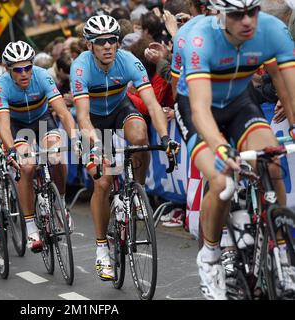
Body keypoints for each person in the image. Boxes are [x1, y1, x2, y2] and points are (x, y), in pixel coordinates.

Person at [175, 0, 295, 299]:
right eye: (237, 14)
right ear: (219, 14)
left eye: (252, 12)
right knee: (222, 181)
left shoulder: (272, 30)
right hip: (198, 109)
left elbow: (285, 81)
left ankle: (280, 249)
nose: (247, 21)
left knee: (272, 163)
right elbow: (201, 110)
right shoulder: (198, 38)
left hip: (241, 103)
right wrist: (221, 149)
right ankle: (212, 256)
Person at [71, 15, 179, 281]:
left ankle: (136, 191)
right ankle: (101, 250)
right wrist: (96, 145)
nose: (108, 46)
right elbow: (83, 117)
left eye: (112, 40)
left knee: (140, 134)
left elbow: (152, 105)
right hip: (93, 122)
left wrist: (165, 138)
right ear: (89, 45)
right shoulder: (81, 68)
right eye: (100, 42)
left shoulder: (129, 60)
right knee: (103, 182)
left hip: (119, 109)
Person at [0, 41, 79, 252]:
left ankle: (60, 204)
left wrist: (76, 138)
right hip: (17, 125)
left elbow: (63, 113)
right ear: (8, 69)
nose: (24, 73)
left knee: (56, 157)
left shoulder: (42, 76)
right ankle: (31, 226)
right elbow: (3, 125)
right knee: (28, 166)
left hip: (42, 120)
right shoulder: (1, 85)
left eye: (28, 67)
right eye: (18, 70)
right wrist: (11, 149)